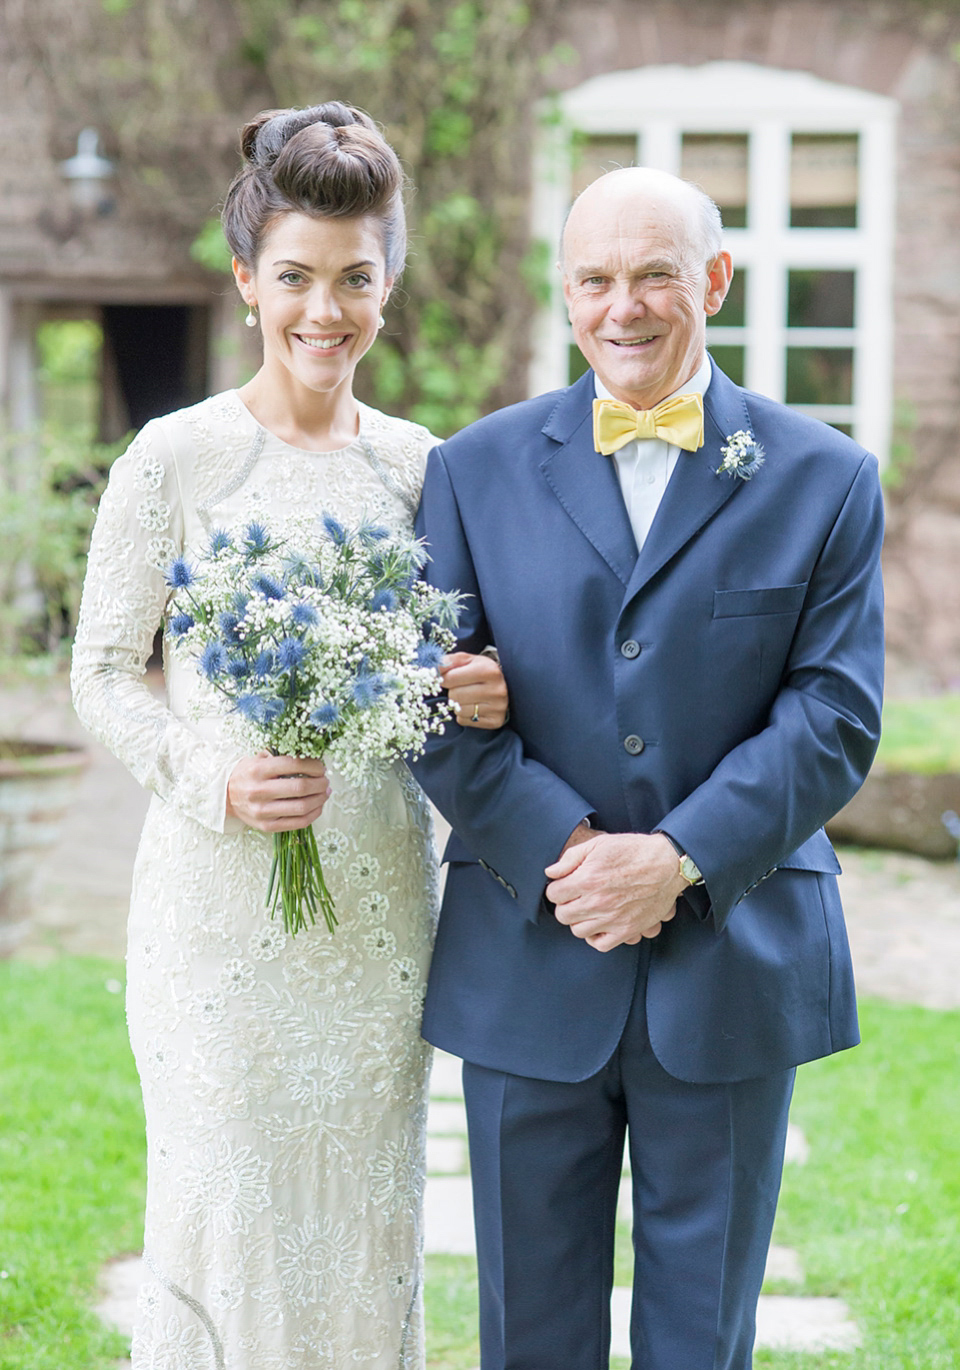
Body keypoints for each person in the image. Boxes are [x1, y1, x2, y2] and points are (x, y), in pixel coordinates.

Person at [411, 166, 884, 1369]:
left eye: (655, 273)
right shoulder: (471, 469)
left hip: (733, 962)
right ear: (566, 294)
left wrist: (675, 859)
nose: (624, 306)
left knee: (700, 1337)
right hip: (529, 946)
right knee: (529, 1334)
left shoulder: (826, 477)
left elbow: (835, 713)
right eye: (595, 279)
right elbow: (428, 705)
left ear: (713, 281)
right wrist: (571, 851)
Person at [71, 102, 507, 1370]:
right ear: (246, 280)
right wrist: (209, 772)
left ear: (390, 281)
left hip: (377, 900)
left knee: (363, 1216)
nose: (327, 311)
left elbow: (444, 668)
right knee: (225, 1201)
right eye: (297, 277)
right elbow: (102, 668)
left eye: (356, 278)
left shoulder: (427, 468)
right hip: (216, 913)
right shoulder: (177, 458)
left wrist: (471, 688)